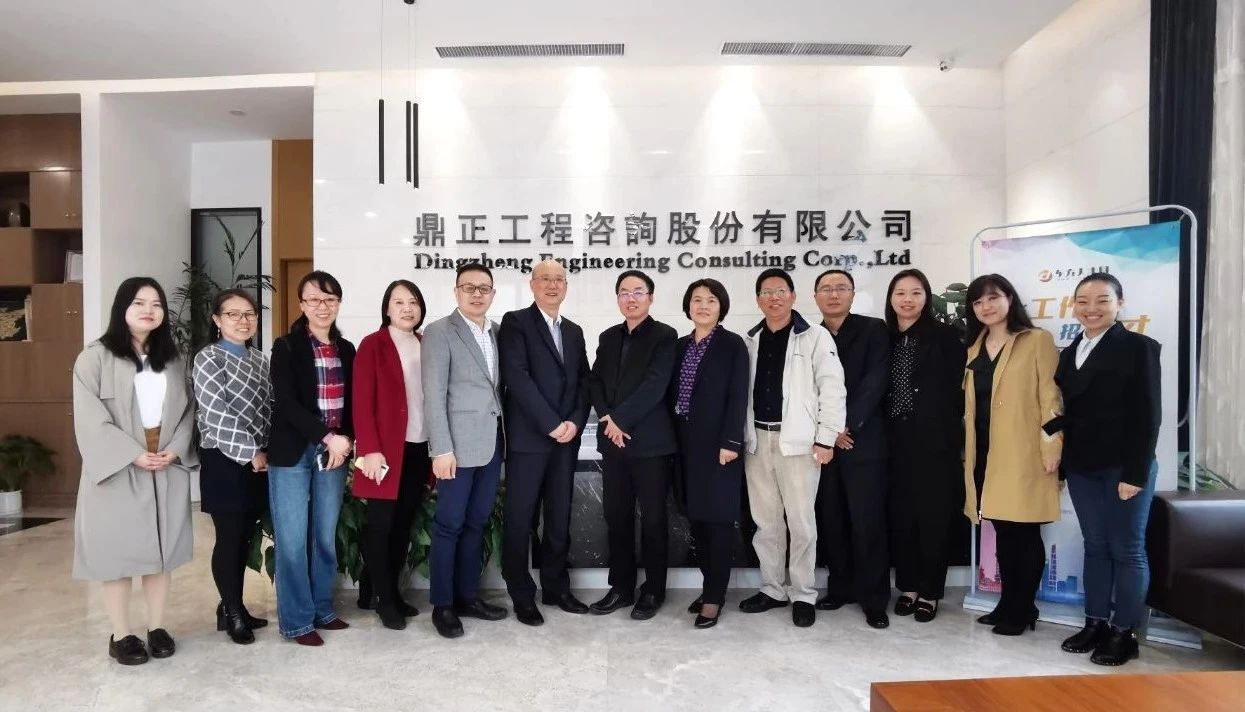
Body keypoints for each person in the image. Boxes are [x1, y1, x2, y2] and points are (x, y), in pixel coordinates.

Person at [72, 277, 196, 665]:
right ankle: (121, 634)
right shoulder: (94, 357)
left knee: (162, 550)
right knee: (118, 553)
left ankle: (157, 627)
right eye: (139, 302)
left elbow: (189, 411)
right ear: (122, 308)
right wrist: (132, 454)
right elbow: (89, 417)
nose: (149, 310)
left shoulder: (173, 359)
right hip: (118, 464)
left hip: (165, 462)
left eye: (156, 304)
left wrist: (176, 449)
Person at [1054, 273, 1161, 665]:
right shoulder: (1070, 351)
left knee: (1127, 549)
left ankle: (1124, 632)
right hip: (1082, 464)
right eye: (1083, 301)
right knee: (1095, 544)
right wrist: (1052, 447)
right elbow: (1069, 412)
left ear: (1120, 303)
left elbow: (1149, 415)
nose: (1091, 309)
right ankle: (1096, 622)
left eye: (1102, 300)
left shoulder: (1138, 347)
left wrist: (1135, 473)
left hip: (1123, 466)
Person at [739, 267, 846, 628]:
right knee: (766, 523)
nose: (774, 298)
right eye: (766, 293)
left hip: (800, 444)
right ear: (758, 300)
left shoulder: (814, 336)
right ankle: (772, 589)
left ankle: (803, 593)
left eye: (780, 291)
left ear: (793, 296)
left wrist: (826, 438)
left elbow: (832, 388)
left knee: (802, 524)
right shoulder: (750, 339)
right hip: (757, 441)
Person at [962, 273, 1062, 637]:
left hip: (1024, 452)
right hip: (986, 452)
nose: (986, 306)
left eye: (993, 298)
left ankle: (1022, 609)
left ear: (1009, 298)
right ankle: (1008, 603)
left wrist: (1052, 448)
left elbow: (1052, 398)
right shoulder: (974, 348)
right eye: (978, 302)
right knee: (1003, 531)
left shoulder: (1036, 340)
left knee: (1024, 531)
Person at [498, 259, 591, 626]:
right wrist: (552, 423)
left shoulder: (574, 331)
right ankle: (521, 593)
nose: (553, 285)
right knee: (520, 519)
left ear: (566, 286)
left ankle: (555, 587)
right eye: (545, 279)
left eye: (559, 280)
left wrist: (574, 422)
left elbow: (584, 382)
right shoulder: (516, 322)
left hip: (565, 441)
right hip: (529, 440)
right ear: (533, 285)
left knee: (558, 517)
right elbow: (517, 378)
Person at [267, 270, 356, 646]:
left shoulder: (346, 349)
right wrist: (328, 437)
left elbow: (352, 403)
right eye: (314, 299)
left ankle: (322, 608)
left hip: (333, 453)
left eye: (330, 299)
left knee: (324, 536)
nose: (323, 306)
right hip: (294, 452)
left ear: (338, 304)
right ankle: (297, 621)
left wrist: (346, 439)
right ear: (302, 305)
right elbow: (286, 403)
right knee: (291, 540)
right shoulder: (286, 347)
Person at [422, 262, 509, 638]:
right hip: (455, 449)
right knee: (449, 525)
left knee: (476, 523)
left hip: (491, 444)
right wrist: (441, 449)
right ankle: (443, 605)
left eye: (484, 288)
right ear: (456, 291)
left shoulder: (499, 332)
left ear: (493, 293)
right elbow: (433, 394)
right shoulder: (440, 331)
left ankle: (467, 597)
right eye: (469, 287)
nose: (477, 294)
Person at [587, 270, 678, 620]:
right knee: (616, 517)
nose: (631, 298)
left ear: (650, 298)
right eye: (624, 292)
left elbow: (655, 385)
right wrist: (607, 418)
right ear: (618, 299)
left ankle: (653, 591)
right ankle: (621, 588)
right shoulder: (608, 337)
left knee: (653, 520)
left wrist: (619, 421)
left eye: (638, 292)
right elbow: (595, 382)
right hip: (614, 446)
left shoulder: (665, 335)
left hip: (650, 445)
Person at [884, 268, 966, 623]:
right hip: (894, 440)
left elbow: (958, 393)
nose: (908, 299)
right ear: (891, 298)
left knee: (933, 517)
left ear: (926, 297)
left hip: (935, 441)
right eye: (900, 293)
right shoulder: (884, 337)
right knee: (902, 516)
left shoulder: (945, 337)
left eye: (916, 293)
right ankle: (908, 587)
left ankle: (930, 591)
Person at [812, 269, 892, 629]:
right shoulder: (810, 335)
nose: (833, 294)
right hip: (825, 445)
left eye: (841, 288)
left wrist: (845, 425)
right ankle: (840, 588)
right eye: (826, 289)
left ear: (852, 294)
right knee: (832, 519)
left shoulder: (873, 330)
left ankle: (874, 599)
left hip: (862, 441)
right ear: (815, 296)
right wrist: (829, 432)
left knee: (867, 522)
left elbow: (876, 381)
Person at [192, 288, 271, 645]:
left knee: (244, 537)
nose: (243, 321)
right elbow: (215, 412)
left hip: (257, 461)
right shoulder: (208, 358)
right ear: (217, 320)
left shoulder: (260, 360)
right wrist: (250, 452)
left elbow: (268, 408)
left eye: (249, 314)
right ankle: (232, 610)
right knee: (228, 536)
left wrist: (266, 451)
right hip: (224, 459)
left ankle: (231, 606)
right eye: (233, 314)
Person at [350, 280, 431, 631]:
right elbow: (361, 401)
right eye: (399, 302)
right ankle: (384, 600)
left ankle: (385, 592)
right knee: (381, 526)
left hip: (418, 447)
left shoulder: (425, 343)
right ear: (387, 308)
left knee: (401, 525)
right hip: (384, 452)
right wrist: (369, 449)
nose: (407, 308)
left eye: (413, 302)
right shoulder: (373, 344)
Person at [671, 278, 749, 629]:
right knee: (697, 520)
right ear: (688, 306)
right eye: (697, 299)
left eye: (711, 300)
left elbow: (738, 395)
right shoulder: (679, 346)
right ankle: (708, 588)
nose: (703, 306)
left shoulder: (732, 345)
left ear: (722, 307)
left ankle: (715, 598)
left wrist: (731, 442)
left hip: (719, 447)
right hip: (685, 445)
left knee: (717, 523)